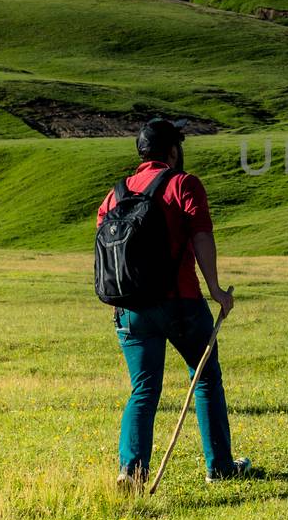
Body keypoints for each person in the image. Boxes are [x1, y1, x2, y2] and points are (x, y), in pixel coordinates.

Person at [97, 119, 244, 490]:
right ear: (173, 151)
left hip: (130, 309)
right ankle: (220, 467)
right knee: (205, 377)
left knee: (143, 390)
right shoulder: (183, 184)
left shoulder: (114, 196)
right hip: (181, 303)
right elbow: (202, 236)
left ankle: (131, 471)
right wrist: (216, 290)